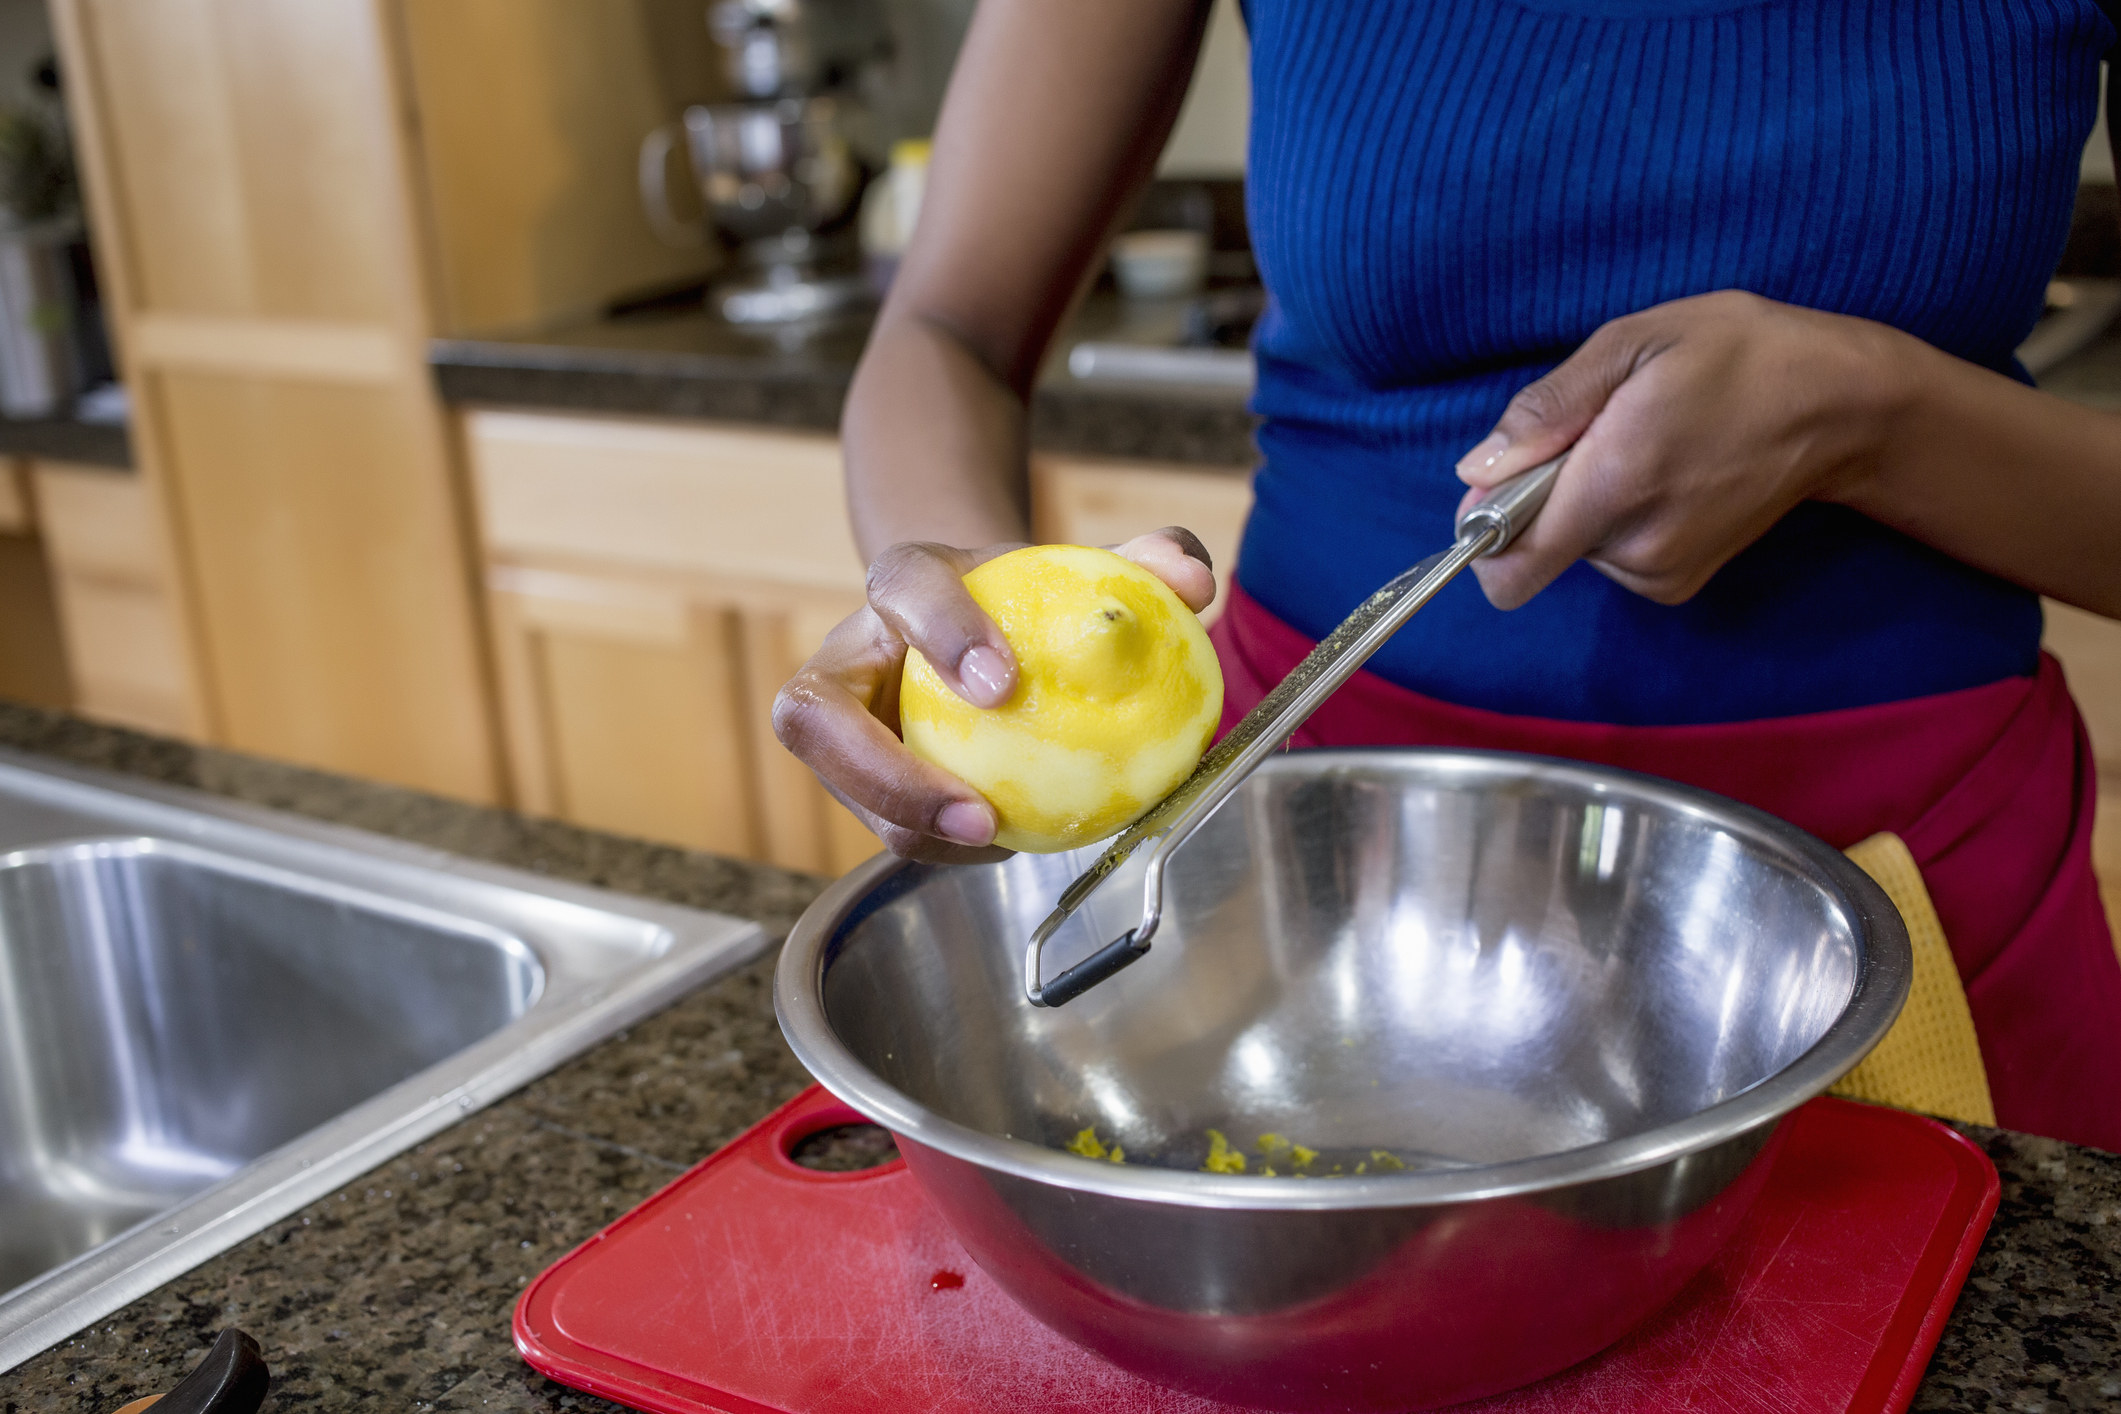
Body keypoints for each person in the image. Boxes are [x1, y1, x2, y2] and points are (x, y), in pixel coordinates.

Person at [773, 0, 2121, 1150]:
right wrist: (960, 608)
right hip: (1298, 884)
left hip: (1900, 899)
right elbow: (947, 328)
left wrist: (1877, 418)